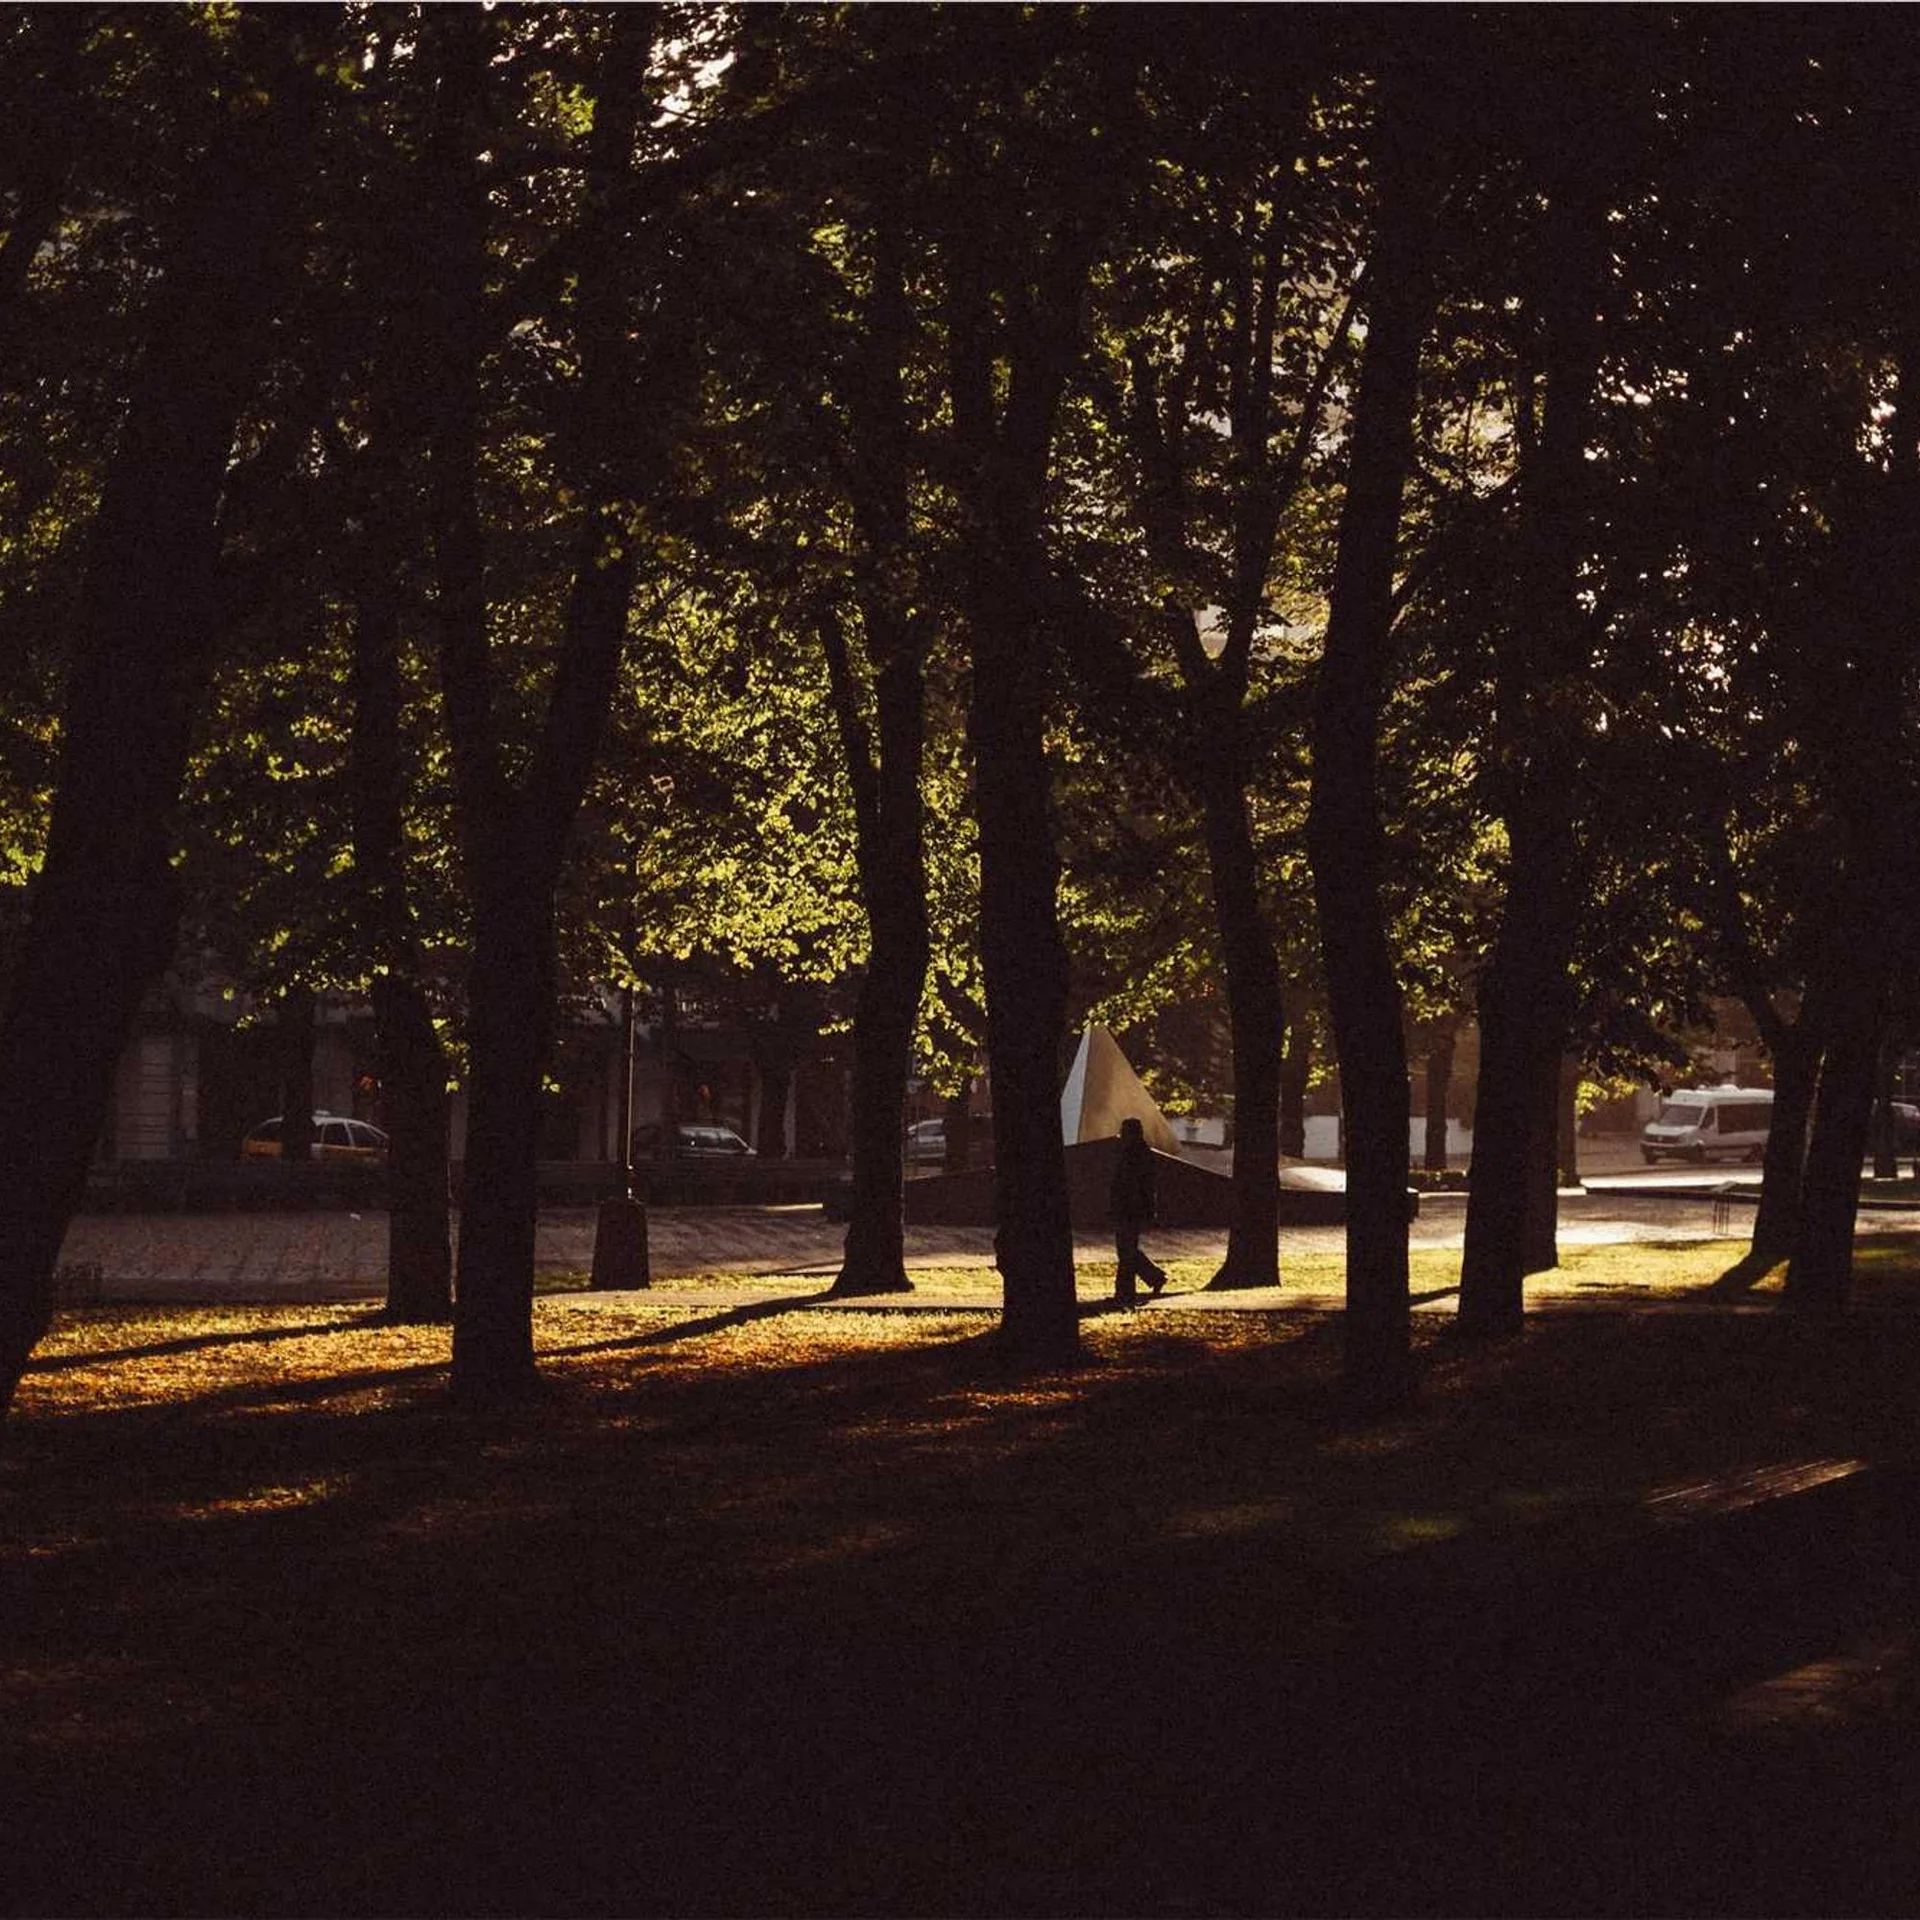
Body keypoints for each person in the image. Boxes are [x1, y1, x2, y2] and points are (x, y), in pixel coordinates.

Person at [1109, 1116, 1169, 1304]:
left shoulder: (1136, 1155)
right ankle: (1153, 1278)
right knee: (1128, 1250)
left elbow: (1136, 1186)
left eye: (1124, 1132)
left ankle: (1126, 1293)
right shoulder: (1138, 1154)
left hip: (1130, 1209)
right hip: (1130, 1209)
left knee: (1126, 1251)